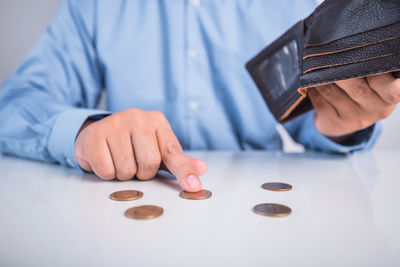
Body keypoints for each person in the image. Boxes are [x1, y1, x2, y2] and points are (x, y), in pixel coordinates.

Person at [0, 0, 399, 192]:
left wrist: (342, 125)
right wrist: (85, 130)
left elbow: (312, 125)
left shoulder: (290, 5)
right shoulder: (93, 6)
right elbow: (15, 105)